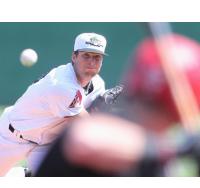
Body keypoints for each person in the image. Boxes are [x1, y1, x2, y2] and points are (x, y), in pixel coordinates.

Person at [35, 33, 200, 177]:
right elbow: (85, 141)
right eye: (86, 56)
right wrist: (177, 148)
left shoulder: (156, 161)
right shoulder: (112, 124)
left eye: (97, 57)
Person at [0, 32, 111, 176]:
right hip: (13, 136)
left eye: (97, 57)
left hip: (45, 145)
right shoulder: (61, 85)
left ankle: (25, 176)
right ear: (74, 56)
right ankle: (20, 176)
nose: (91, 62)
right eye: (86, 56)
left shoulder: (98, 84)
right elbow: (86, 125)